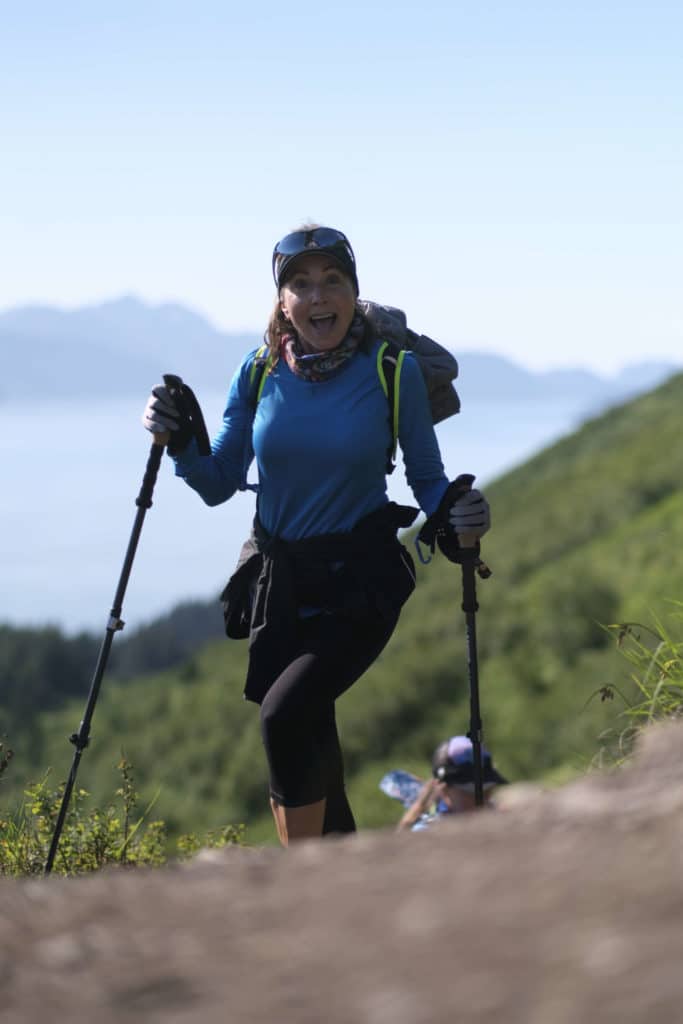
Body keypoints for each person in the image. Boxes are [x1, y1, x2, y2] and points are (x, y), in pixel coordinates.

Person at [142, 225, 491, 846]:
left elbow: (428, 479)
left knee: (286, 714)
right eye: (300, 283)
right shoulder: (257, 372)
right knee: (313, 741)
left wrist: (460, 510)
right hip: (279, 587)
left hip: (361, 582)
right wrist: (178, 440)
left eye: (333, 280)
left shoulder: (393, 371)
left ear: (355, 293)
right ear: (282, 301)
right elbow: (219, 479)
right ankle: (345, 881)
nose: (318, 295)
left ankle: (302, 881)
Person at [380, 734, 508, 832]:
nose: (482, 801)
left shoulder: (497, 814)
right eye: (470, 793)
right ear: (444, 790)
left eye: (487, 791)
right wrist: (417, 808)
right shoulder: (428, 829)